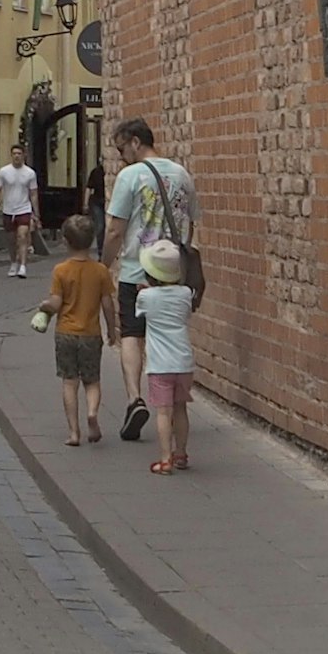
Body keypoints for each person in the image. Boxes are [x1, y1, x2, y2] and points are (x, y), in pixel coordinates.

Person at [103, 118, 198, 443]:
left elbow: (115, 229)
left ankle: (135, 398)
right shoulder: (182, 174)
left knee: (131, 332)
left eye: (120, 149)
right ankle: (173, 402)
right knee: (170, 332)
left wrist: (105, 264)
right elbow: (190, 224)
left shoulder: (130, 176)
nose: (121, 157)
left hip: (136, 270)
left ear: (134, 142)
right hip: (174, 273)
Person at [43, 214, 114, 446]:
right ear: (92, 240)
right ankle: (92, 413)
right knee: (92, 381)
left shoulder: (60, 271)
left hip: (65, 333)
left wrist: (44, 308)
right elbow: (106, 304)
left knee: (69, 382)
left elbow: (55, 303)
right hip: (91, 334)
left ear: (65, 241)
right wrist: (112, 330)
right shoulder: (101, 270)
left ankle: (74, 433)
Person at [135, 238, 199, 472]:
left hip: (159, 365)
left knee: (163, 412)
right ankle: (181, 453)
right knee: (181, 408)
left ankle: (164, 458)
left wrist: (146, 291)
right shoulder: (185, 293)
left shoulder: (146, 297)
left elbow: (141, 312)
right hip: (183, 362)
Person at [0, 143, 43, 277]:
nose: (16, 156)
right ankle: (13, 262)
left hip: (24, 209)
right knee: (11, 239)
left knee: (22, 236)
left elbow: (33, 193)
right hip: (8, 209)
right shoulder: (4, 172)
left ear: (24, 155)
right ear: (11, 155)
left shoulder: (29, 173)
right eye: (14, 154)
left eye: (19, 154)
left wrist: (36, 212)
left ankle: (23, 266)